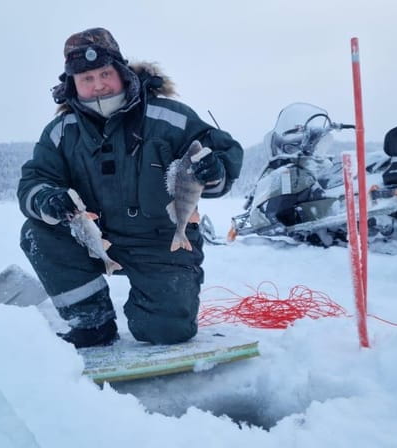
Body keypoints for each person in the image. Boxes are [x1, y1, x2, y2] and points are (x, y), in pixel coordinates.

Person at [17, 27, 243, 348]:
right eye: (86, 79)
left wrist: (214, 169)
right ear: (73, 84)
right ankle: (91, 322)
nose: (98, 85)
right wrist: (48, 200)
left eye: (105, 73)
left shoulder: (169, 117)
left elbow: (221, 151)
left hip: (161, 243)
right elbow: (34, 181)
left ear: (122, 72)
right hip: (93, 237)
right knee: (38, 230)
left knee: (166, 332)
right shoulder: (60, 132)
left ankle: (157, 310)